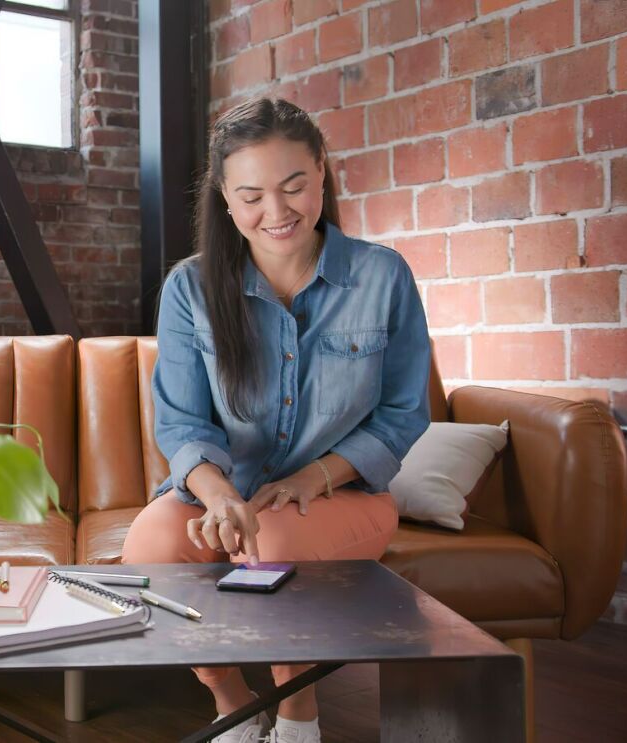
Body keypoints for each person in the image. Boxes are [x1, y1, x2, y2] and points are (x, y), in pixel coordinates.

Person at [120, 96, 432, 743]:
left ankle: (297, 713)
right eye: (253, 195)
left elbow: (404, 413)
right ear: (226, 201)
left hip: (345, 495)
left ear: (321, 172)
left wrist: (313, 477)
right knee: (147, 550)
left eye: (294, 186)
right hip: (224, 488)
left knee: (275, 549)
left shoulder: (383, 276)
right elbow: (181, 424)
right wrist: (221, 495)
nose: (278, 211)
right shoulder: (190, 288)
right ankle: (233, 706)